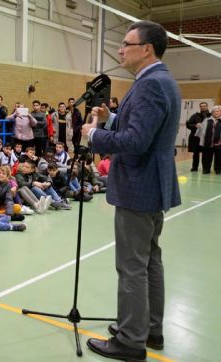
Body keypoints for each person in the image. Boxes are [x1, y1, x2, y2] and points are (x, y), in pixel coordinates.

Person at [82, 21, 181, 361]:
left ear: (147, 49)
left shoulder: (151, 85)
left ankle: (130, 339)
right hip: (151, 186)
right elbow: (143, 131)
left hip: (139, 187)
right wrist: (112, 118)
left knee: (132, 267)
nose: (120, 49)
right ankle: (149, 328)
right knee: (150, 261)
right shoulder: (159, 81)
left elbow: (136, 142)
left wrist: (95, 136)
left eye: (126, 43)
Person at [185, 102, 210, 172]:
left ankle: (205, 168)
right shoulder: (194, 116)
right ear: (200, 107)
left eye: (204, 106)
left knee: (206, 154)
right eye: (201, 106)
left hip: (206, 138)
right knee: (195, 153)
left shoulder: (210, 116)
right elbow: (188, 125)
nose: (203, 107)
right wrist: (195, 125)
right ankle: (194, 167)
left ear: (207, 106)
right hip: (195, 138)